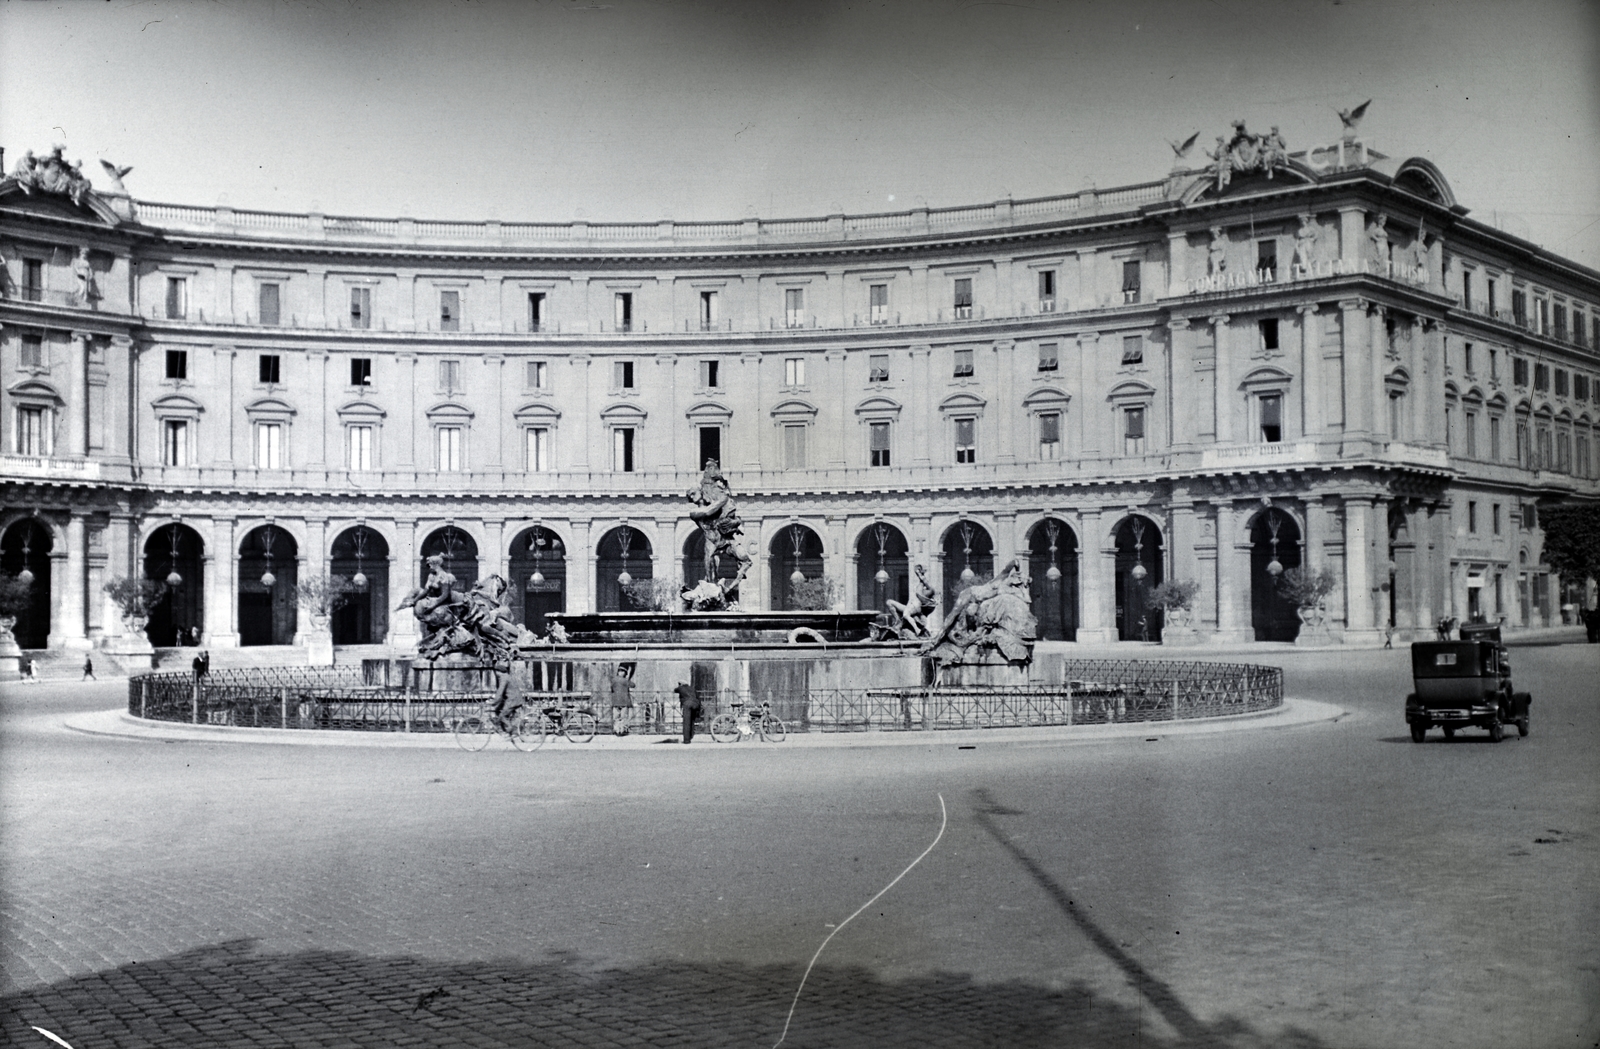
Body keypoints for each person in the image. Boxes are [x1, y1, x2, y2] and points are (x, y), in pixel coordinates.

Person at [610, 666, 634, 736]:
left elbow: (611, 688)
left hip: (615, 701)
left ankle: (616, 730)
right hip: (624, 701)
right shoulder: (625, 680)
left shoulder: (613, 680)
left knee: (616, 717)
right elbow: (633, 685)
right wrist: (628, 678)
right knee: (623, 717)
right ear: (625, 673)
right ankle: (622, 731)